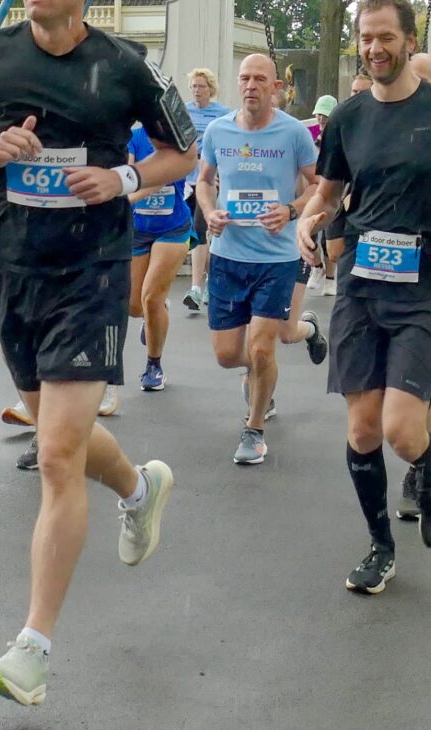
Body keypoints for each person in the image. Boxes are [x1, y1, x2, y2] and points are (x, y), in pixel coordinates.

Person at [0, 0, 187, 707]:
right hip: (15, 271)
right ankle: (139, 489)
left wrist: (124, 178)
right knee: (58, 438)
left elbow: (183, 155)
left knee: (54, 457)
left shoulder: (124, 65)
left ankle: (32, 648)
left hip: (92, 270)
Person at [300, 0, 431, 595]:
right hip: (362, 281)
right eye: (366, 38)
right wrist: (309, 220)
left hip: (427, 281)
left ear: (410, 41)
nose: (374, 48)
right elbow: (330, 192)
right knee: (362, 430)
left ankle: (429, 467)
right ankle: (380, 546)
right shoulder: (347, 119)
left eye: (386, 36)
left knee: (399, 431)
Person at [196, 52, 326, 466]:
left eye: (260, 79)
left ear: (275, 87)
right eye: (245, 78)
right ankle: (263, 373)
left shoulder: (294, 134)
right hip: (228, 256)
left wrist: (290, 210)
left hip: (276, 258)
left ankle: (254, 428)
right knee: (227, 354)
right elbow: (203, 182)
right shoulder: (218, 131)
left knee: (263, 349)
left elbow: (319, 185)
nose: (251, 86)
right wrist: (211, 210)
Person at [127, 119, 196, 391]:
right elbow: (127, 169)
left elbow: (162, 177)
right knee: (134, 306)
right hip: (139, 227)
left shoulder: (177, 135)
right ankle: (153, 312)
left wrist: (128, 198)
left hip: (173, 226)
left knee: (150, 297)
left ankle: (153, 365)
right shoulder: (133, 136)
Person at [180, 66, 225, 314]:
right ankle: (202, 285)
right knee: (189, 232)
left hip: (207, 180)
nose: (197, 91)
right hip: (183, 180)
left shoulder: (222, 114)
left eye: (201, 86)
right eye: (194, 86)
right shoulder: (183, 111)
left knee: (201, 230)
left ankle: (198, 287)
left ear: (210, 89)